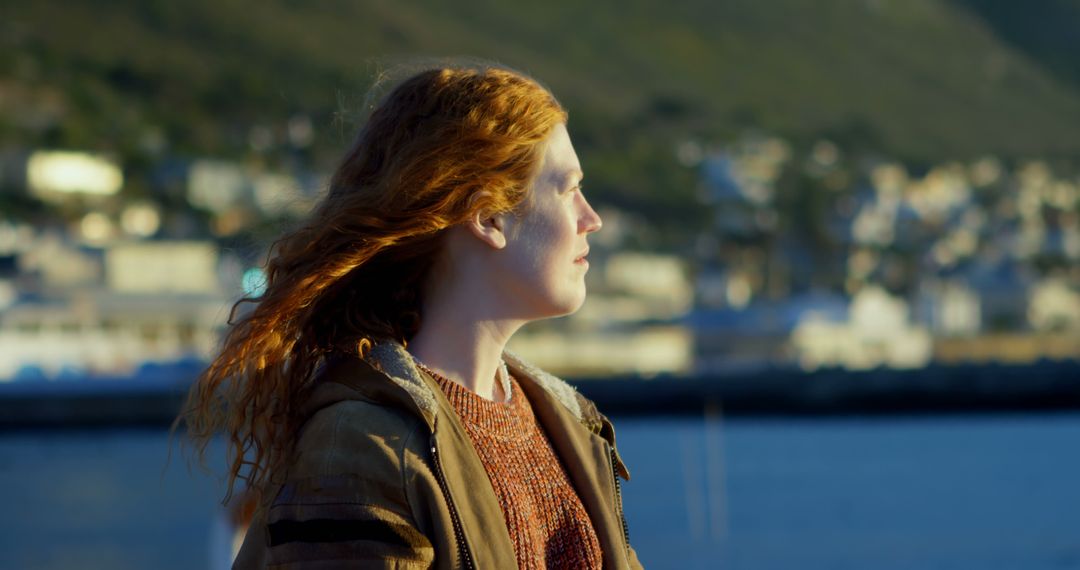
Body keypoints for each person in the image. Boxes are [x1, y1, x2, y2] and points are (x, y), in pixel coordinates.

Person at [179, 64, 643, 569]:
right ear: (488, 217)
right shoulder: (361, 445)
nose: (590, 218)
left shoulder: (572, 426)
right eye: (568, 188)